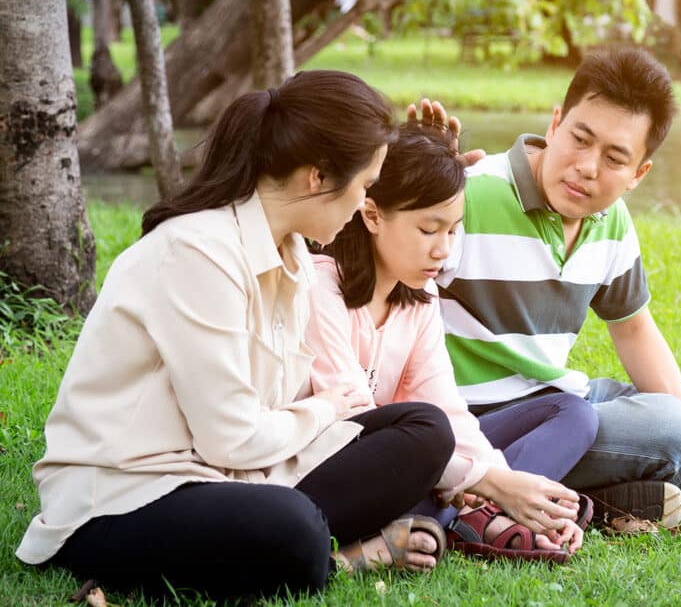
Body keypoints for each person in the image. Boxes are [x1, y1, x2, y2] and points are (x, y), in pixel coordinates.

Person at [16, 71, 457, 600]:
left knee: (424, 430)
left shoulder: (291, 254)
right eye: (365, 186)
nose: (364, 205)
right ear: (317, 178)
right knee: (291, 528)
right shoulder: (198, 252)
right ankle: (339, 556)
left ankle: (309, 540)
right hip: (123, 495)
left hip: (233, 474)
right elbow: (231, 437)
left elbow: (260, 422)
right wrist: (323, 409)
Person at [435, 47, 681, 527]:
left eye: (614, 158)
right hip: (485, 421)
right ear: (556, 122)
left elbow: (635, 330)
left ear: (639, 174)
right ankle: (675, 480)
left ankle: (626, 491)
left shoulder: (611, 221)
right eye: (580, 139)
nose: (587, 167)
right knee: (674, 429)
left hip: (555, 401)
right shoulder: (472, 194)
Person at [304, 114, 597, 563]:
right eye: (428, 229)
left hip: (419, 462)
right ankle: (472, 518)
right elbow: (354, 432)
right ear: (372, 214)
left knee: (571, 411)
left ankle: (478, 516)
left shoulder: (419, 296)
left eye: (453, 230)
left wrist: (506, 483)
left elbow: (449, 410)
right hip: (336, 471)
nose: (443, 249)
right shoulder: (321, 289)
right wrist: (492, 484)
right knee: (425, 442)